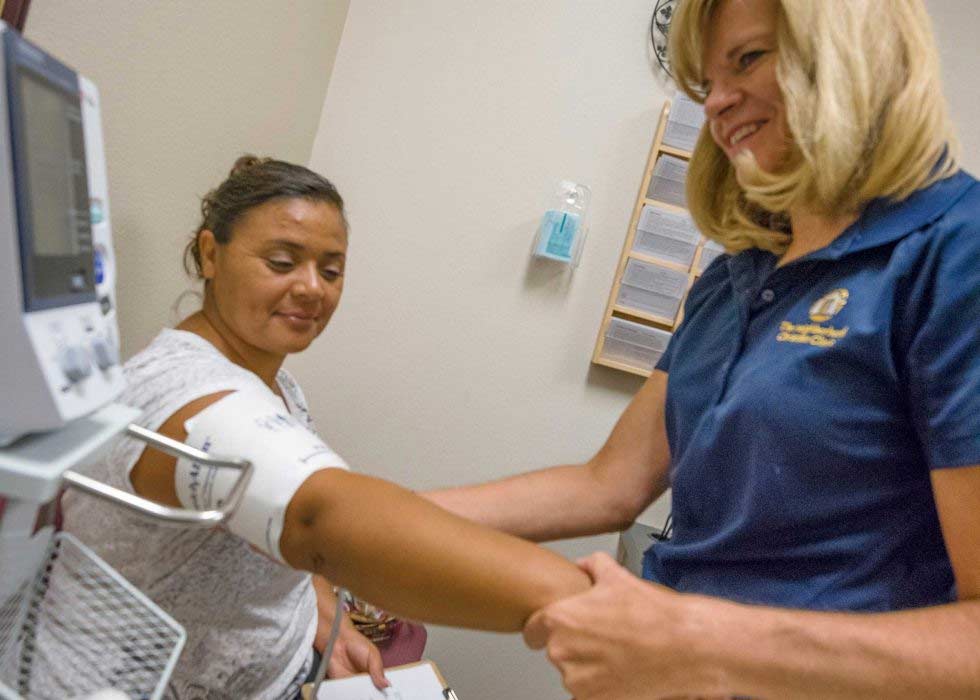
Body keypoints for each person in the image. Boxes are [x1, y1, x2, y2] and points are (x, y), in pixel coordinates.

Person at [427, 0, 980, 697]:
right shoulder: (738, 270)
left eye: (746, 60)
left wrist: (697, 638)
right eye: (703, 84)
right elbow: (610, 485)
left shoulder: (956, 253)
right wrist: (377, 516)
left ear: (852, 55)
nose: (717, 103)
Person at [63, 156, 590, 700]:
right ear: (210, 253)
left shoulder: (281, 389)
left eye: (331, 270)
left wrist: (314, 606)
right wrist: (582, 602)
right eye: (282, 262)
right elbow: (316, 518)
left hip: (288, 670)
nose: (313, 288)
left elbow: (271, 516)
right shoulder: (178, 392)